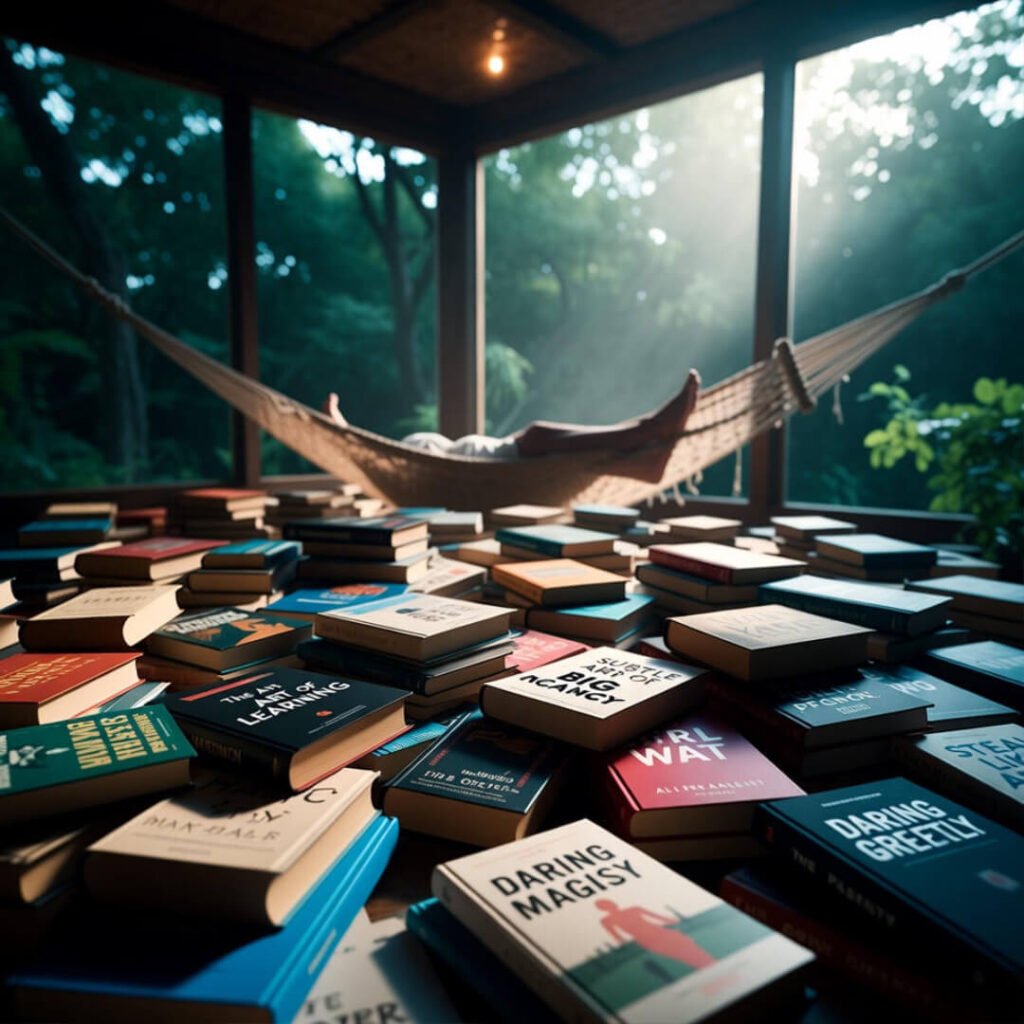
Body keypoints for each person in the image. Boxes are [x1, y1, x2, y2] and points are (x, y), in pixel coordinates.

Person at [324, 369, 700, 482]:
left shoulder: (404, 460)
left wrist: (340, 427)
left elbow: (362, 449)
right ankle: (647, 431)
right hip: (484, 466)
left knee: (562, 455)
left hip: (488, 458)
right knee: (538, 435)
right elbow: (363, 453)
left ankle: (643, 452)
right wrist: (340, 428)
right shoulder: (402, 468)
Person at [595, 898, 715, 969]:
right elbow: (618, 938)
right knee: (684, 953)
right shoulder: (608, 920)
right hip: (650, 937)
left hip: (655, 934)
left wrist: (674, 921)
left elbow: (660, 918)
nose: (611, 904)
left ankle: (710, 965)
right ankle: (709, 966)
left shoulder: (632, 910)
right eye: (608, 904)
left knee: (687, 950)